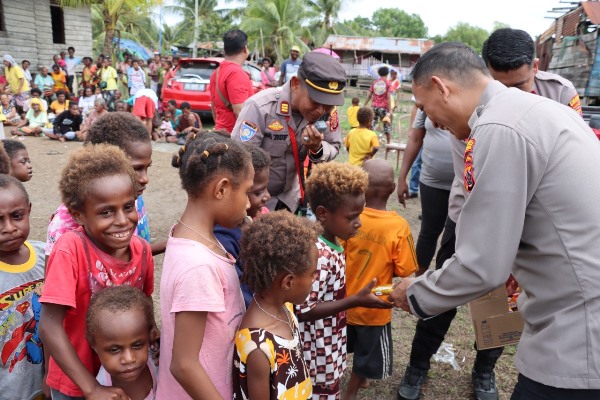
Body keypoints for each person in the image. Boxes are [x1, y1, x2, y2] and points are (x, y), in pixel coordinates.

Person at [389, 41, 600, 400]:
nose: (432, 121)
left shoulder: (500, 126)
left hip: (577, 332)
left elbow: (483, 265)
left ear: (442, 87)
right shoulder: (537, 110)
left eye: (425, 106)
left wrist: (416, 292)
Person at [39, 144, 156, 400]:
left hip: (121, 376)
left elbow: (144, 302)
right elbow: (48, 325)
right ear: (78, 214)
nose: (123, 220)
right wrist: (90, 388)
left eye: (128, 206)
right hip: (75, 381)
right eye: (106, 212)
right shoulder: (70, 250)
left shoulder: (142, 251)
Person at [158, 131, 253, 399]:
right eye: (246, 192)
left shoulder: (195, 237)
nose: (247, 204)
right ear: (221, 189)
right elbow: (184, 364)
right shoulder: (198, 266)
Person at [297, 162, 393, 400]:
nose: (359, 223)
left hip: (329, 343)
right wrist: (353, 301)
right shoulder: (318, 255)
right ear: (322, 213)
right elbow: (304, 309)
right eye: (352, 217)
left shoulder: (334, 242)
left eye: (359, 214)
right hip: (317, 353)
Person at [232, 51, 344, 213]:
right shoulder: (261, 107)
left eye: (328, 104)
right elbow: (239, 160)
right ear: (296, 84)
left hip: (291, 200)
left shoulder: (328, 112)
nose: (321, 110)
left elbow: (334, 145)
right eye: (316, 101)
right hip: (256, 203)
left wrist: (317, 148)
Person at [342, 159, 418, 400]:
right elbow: (406, 270)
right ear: (393, 188)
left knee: (343, 344)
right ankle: (351, 392)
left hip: (343, 301)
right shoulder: (398, 226)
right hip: (374, 305)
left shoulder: (350, 217)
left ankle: (352, 381)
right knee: (367, 353)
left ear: (361, 187)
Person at [46, 111, 164, 258]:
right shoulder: (64, 226)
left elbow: (131, 252)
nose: (145, 178)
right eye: (135, 169)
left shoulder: (131, 197)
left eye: (147, 168)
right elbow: (54, 278)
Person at [233, 211, 319, 399]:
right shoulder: (258, 347)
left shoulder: (284, 307)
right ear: (288, 282)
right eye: (312, 273)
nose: (316, 278)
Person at [0, 175, 46, 400]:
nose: (8, 228)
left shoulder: (49, 258)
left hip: (51, 385)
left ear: (28, 210)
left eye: (17, 216)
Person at [397, 106, 454, 276]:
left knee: (452, 239)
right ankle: (418, 283)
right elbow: (415, 139)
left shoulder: (468, 98)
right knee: (428, 232)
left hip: (464, 185)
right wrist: (402, 178)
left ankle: (442, 289)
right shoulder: (425, 104)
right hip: (431, 181)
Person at [214, 143, 272, 307]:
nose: (268, 196)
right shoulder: (224, 239)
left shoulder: (249, 221)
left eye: (266, 188)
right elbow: (239, 295)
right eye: (257, 192)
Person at [86, 285, 157, 400]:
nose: (129, 359)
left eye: (137, 345)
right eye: (114, 349)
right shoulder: (102, 389)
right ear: (94, 346)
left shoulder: (158, 362)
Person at [209, 29, 253, 133]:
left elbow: (213, 107)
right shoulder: (236, 73)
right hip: (235, 137)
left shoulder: (217, 72)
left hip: (221, 132)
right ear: (245, 48)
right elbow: (240, 112)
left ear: (225, 49)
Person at [364, 66, 392, 143]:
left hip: (374, 106)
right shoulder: (388, 83)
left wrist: (364, 104)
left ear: (379, 74)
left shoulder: (375, 82)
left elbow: (369, 95)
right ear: (387, 73)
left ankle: (368, 142)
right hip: (384, 107)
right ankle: (389, 143)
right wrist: (390, 110)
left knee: (371, 124)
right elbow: (388, 97)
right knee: (386, 125)